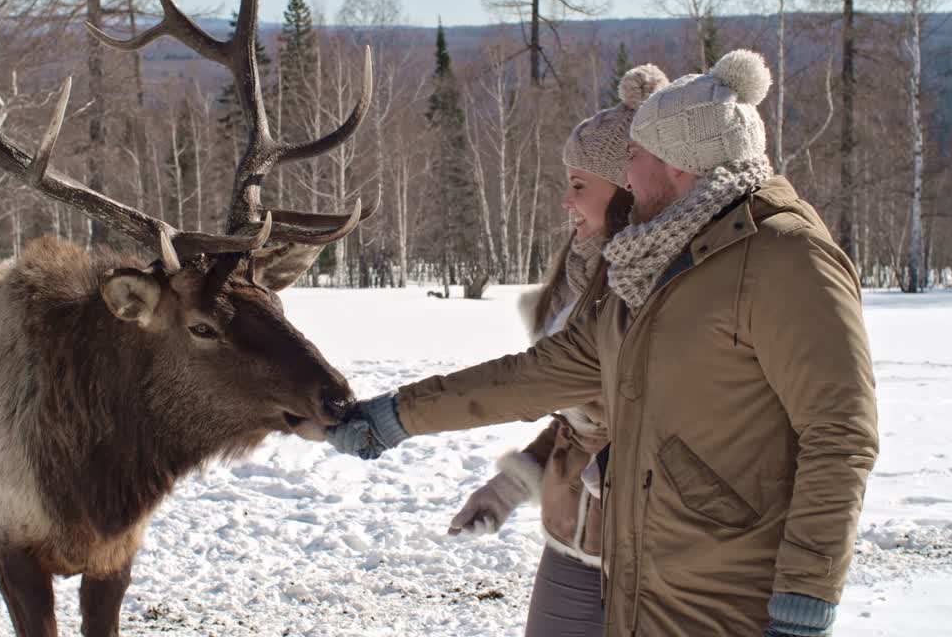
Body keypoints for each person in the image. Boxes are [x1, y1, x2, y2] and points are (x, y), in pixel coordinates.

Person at [328, 50, 878, 637]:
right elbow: (538, 374)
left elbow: (840, 434)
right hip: (644, 587)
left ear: (677, 163)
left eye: (634, 157)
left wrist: (804, 605)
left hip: (733, 600)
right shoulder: (652, 264)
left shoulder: (786, 258)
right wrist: (396, 416)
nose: (628, 176)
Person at [448, 65, 668, 637]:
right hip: (573, 542)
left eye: (579, 185)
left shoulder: (664, 286)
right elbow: (579, 421)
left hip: (658, 553)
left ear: (625, 190)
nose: (566, 201)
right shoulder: (576, 277)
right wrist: (507, 488)